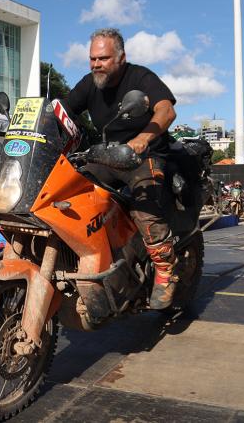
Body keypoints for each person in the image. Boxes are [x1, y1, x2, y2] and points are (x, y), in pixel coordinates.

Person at [63, 28, 179, 309]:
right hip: (105, 156)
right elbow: (63, 111)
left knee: (144, 203)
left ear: (121, 57)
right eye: (92, 59)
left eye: (102, 58)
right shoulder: (90, 83)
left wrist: (142, 139)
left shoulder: (141, 77)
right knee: (70, 191)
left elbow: (166, 110)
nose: (95, 65)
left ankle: (166, 269)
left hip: (143, 156)